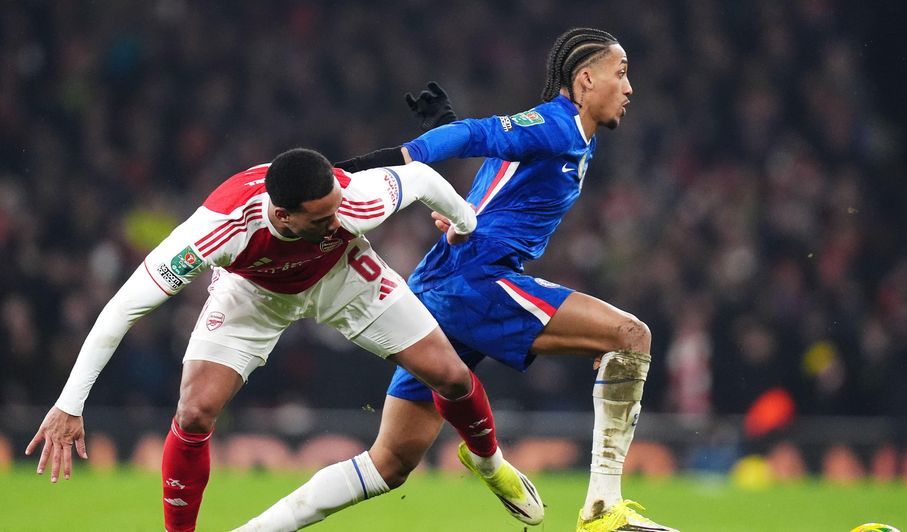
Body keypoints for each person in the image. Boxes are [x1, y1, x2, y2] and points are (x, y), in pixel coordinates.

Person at [241, 28, 678, 532]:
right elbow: (477, 134)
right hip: (475, 283)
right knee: (630, 337)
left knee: (390, 463)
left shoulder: (570, 138)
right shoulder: (556, 126)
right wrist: (372, 166)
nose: (629, 88)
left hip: (439, 287)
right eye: (620, 74)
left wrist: (451, 161)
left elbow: (495, 173)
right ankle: (602, 510)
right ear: (584, 79)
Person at [25, 148, 543, 531]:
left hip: (343, 275)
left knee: (452, 376)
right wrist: (70, 404)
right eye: (322, 217)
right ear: (282, 213)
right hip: (254, 291)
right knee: (194, 411)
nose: (338, 218)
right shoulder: (218, 229)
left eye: (338, 208)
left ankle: (489, 463)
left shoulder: (355, 202)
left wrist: (464, 221)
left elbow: (424, 177)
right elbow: (124, 307)